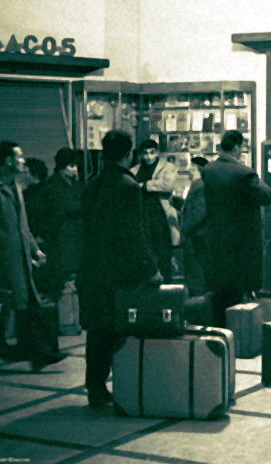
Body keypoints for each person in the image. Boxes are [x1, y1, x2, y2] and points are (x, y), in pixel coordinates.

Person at [78, 131, 163, 408]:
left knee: (97, 331)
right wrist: (151, 268)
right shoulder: (128, 186)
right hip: (120, 272)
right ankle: (125, 384)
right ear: (130, 154)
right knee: (121, 328)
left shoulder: (92, 184)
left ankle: (96, 387)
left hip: (92, 268)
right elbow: (134, 233)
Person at [0, 140, 66, 370]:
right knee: (14, 306)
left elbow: (23, 226)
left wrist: (34, 250)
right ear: (7, 160)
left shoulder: (16, 187)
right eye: (19, 157)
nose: (23, 161)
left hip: (19, 260)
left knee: (27, 305)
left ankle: (36, 353)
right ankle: (34, 353)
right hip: (3, 261)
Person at [202, 130, 271, 327]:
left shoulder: (208, 170)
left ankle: (218, 330)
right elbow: (267, 196)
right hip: (242, 241)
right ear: (236, 147)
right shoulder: (245, 173)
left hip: (216, 237)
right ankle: (238, 332)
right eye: (242, 147)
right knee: (239, 288)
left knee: (220, 289)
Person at [33, 148, 83, 301]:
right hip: (63, 235)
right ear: (62, 165)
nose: (74, 169)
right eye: (71, 165)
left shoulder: (72, 183)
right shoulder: (53, 185)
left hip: (71, 234)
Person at [131, 139, 181, 280]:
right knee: (148, 249)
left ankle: (166, 279)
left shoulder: (167, 167)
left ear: (157, 152)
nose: (148, 156)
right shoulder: (135, 169)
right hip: (142, 213)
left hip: (160, 214)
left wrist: (145, 185)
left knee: (163, 250)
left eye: (152, 152)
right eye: (145, 153)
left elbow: (167, 185)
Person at [181, 156, 211, 297]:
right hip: (197, 235)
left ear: (199, 170)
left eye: (192, 168)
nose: (189, 171)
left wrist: (185, 229)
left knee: (196, 271)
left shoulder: (201, 186)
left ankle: (198, 305)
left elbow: (199, 212)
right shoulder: (198, 185)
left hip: (197, 236)